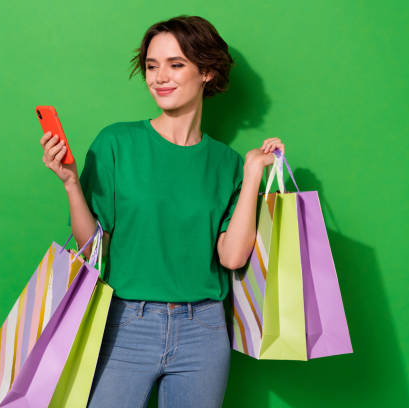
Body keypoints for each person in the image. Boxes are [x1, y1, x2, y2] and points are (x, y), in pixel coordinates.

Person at [39, 15, 285, 408]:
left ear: (206, 71)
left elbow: (232, 256)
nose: (159, 77)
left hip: (203, 331)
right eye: (152, 66)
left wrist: (253, 173)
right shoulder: (117, 142)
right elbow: (93, 248)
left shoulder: (227, 163)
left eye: (176, 64)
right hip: (125, 323)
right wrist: (70, 183)